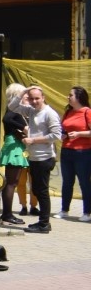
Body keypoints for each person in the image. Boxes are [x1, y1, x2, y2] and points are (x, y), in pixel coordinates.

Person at [23, 86, 62, 233]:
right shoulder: (32, 111)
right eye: (31, 98)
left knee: (42, 191)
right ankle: (43, 221)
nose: (34, 101)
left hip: (44, 157)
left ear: (43, 98)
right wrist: (25, 90)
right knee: (36, 189)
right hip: (34, 157)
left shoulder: (49, 113)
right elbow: (13, 106)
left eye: (37, 98)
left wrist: (33, 140)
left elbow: (56, 135)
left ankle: (44, 224)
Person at [58, 86, 91, 221]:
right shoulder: (68, 112)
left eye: (70, 95)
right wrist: (63, 135)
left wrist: (79, 134)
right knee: (67, 182)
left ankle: (87, 212)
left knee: (84, 182)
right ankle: (64, 210)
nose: (68, 97)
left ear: (79, 97)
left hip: (83, 152)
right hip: (66, 151)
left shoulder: (87, 112)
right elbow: (63, 128)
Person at [0, 83, 29, 225]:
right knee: (11, 182)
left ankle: (7, 213)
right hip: (14, 146)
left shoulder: (17, 110)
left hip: (15, 145)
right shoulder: (13, 109)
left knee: (12, 182)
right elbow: (6, 119)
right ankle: (7, 214)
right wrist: (23, 127)